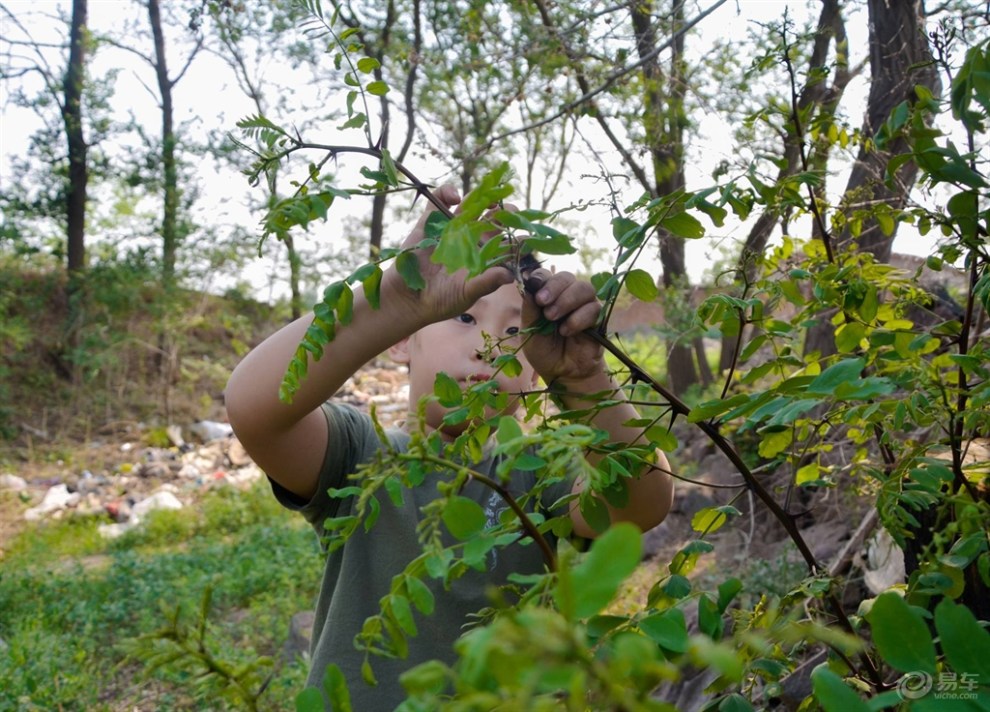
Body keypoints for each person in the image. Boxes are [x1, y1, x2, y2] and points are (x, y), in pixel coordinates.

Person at [225, 185, 674, 708]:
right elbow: (256, 410)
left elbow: (639, 506)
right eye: (464, 316)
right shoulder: (358, 457)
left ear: (534, 368)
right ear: (402, 338)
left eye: (515, 330)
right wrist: (395, 297)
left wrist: (586, 379)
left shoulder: (539, 469)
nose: (489, 347)